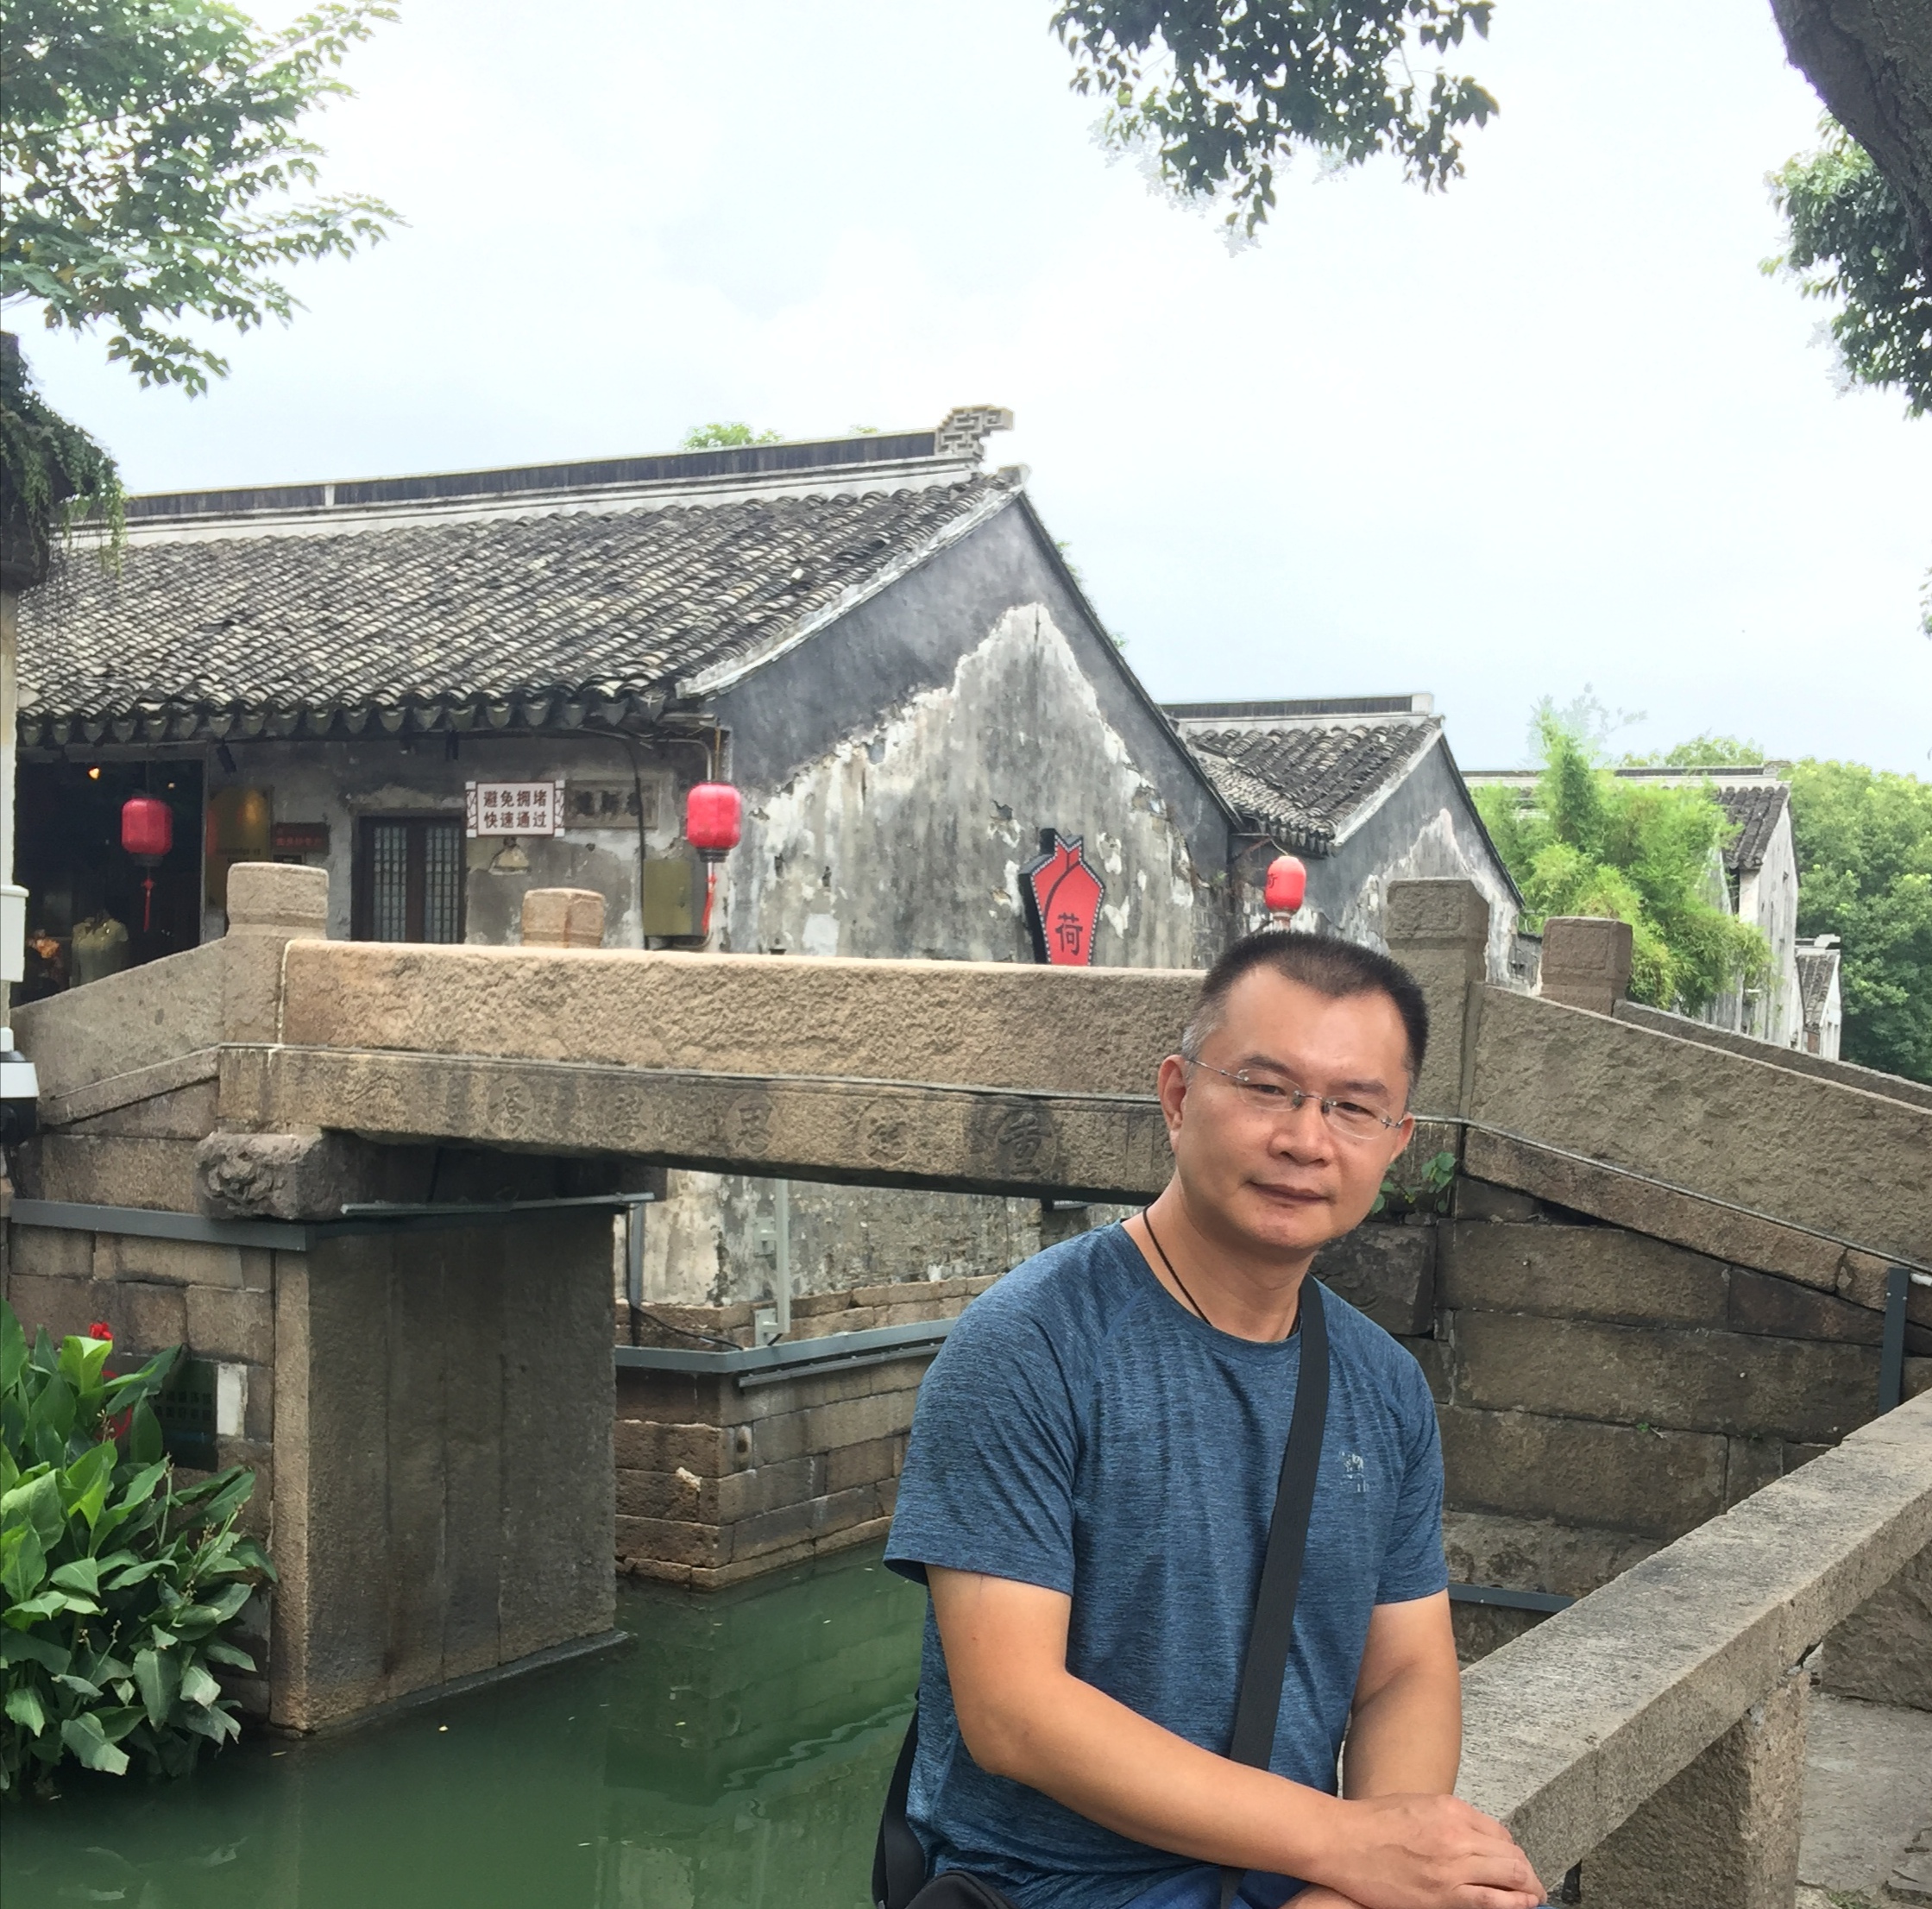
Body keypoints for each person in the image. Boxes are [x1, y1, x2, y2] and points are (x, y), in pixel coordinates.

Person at [883, 931, 1545, 1909]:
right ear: (1178, 1095)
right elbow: (1013, 1712)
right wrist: (1345, 1841)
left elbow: (1403, 1669)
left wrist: (1379, 1874)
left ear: (1396, 1140)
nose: (1305, 1139)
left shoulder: (1384, 1384)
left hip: (1294, 1874)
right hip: (1053, 1885)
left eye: (1351, 1106)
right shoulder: (1031, 1344)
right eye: (1267, 1088)